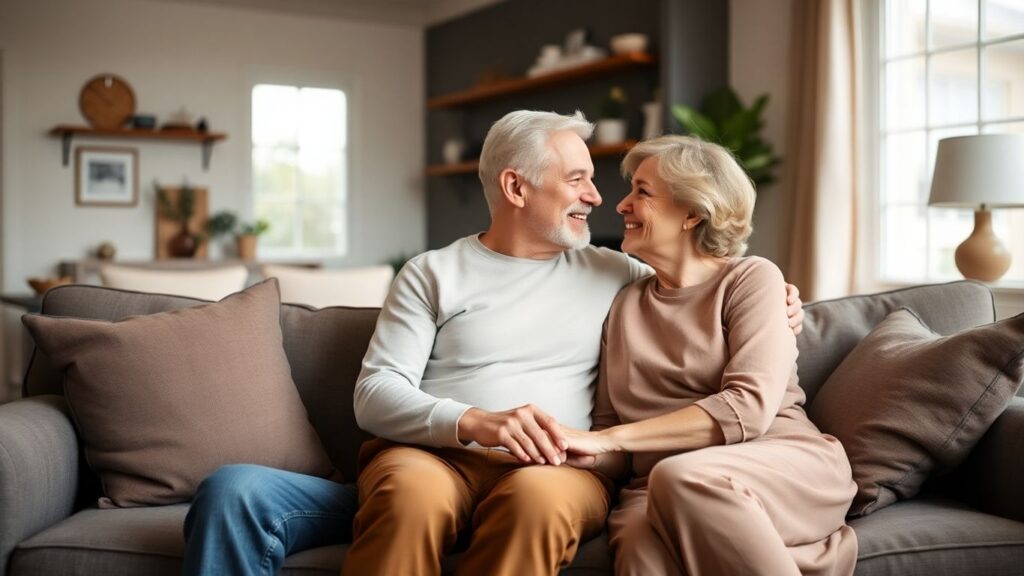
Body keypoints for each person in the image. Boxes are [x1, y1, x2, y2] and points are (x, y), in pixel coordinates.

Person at [341, 112, 804, 576]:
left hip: (556, 470)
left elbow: (701, 281)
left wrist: (783, 301)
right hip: (433, 457)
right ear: (516, 188)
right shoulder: (432, 273)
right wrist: (477, 423)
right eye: (577, 179)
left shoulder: (620, 272)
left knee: (536, 505)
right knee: (409, 497)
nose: (598, 197)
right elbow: (375, 393)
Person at [559, 135, 857, 576]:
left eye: (642, 192)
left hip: (777, 460)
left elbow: (749, 409)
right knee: (641, 548)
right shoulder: (623, 305)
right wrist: (562, 447)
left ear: (693, 213)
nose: (621, 205)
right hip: (657, 482)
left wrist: (608, 440)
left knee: (681, 478)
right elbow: (610, 429)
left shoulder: (752, 279)